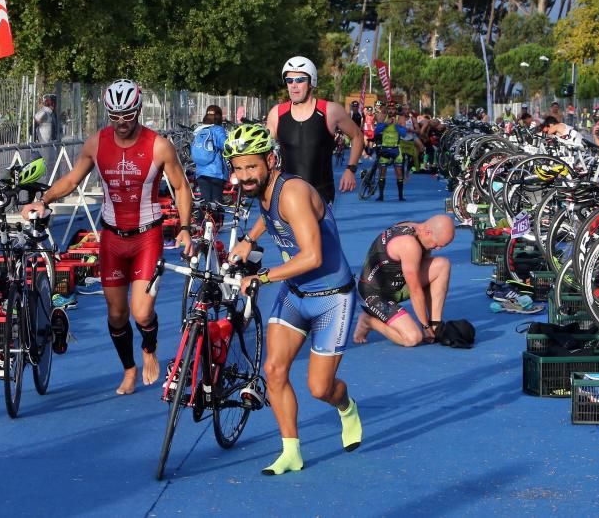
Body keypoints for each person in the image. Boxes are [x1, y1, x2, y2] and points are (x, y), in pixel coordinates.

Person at [21, 79, 193, 395]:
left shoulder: (158, 145)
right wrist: (43, 200)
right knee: (116, 314)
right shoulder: (96, 143)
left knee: (141, 311)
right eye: (115, 116)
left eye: (127, 115)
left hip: (147, 237)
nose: (121, 122)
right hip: (112, 238)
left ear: (138, 110)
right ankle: (128, 370)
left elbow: (181, 187)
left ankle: (149, 348)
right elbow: (72, 179)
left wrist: (184, 228)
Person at [224, 124, 361, 476]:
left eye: (252, 167)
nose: (244, 176)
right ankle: (291, 452)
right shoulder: (266, 192)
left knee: (320, 388)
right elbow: (268, 215)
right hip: (296, 293)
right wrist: (249, 241)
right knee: (274, 370)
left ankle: (346, 406)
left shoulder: (293, 192)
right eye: (238, 169)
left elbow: (313, 256)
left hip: (332, 298)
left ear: (271, 160)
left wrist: (262, 276)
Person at [266, 56, 363, 203]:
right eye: (289, 80)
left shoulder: (330, 111)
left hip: (320, 195)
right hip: (287, 195)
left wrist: (351, 169)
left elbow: (357, 136)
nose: (294, 85)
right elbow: (264, 149)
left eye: (300, 80)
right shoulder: (277, 113)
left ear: (312, 82)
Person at [353, 215, 455, 347]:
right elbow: (415, 290)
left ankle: (435, 324)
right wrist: (424, 327)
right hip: (373, 295)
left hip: (395, 284)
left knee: (443, 265)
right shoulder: (409, 244)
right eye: (437, 244)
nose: (438, 248)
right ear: (428, 232)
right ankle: (368, 321)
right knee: (412, 338)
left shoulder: (418, 230)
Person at [191, 105, 228, 205]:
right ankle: (213, 220)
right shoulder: (218, 130)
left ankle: (202, 219)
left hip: (201, 172)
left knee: (205, 203)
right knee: (216, 204)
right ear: (219, 117)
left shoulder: (199, 130)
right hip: (216, 172)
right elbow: (225, 146)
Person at [372, 103, 408, 201]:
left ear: (396, 110)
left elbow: (404, 134)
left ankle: (400, 196)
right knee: (382, 172)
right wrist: (385, 124)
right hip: (385, 148)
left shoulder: (400, 118)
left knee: (399, 172)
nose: (391, 111)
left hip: (396, 148)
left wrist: (396, 125)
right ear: (387, 109)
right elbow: (376, 131)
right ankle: (381, 196)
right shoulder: (382, 117)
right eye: (389, 109)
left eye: (393, 109)